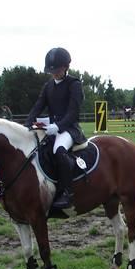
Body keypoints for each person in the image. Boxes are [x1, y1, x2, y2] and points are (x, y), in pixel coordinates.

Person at [24, 47, 87, 209]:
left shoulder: (74, 84)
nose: (54, 73)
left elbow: (73, 112)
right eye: (51, 71)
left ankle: (67, 192)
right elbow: (38, 106)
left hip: (69, 129)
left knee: (59, 150)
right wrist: (27, 124)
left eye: (57, 70)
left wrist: (58, 126)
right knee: (38, 149)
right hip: (51, 128)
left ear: (65, 67)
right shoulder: (48, 86)